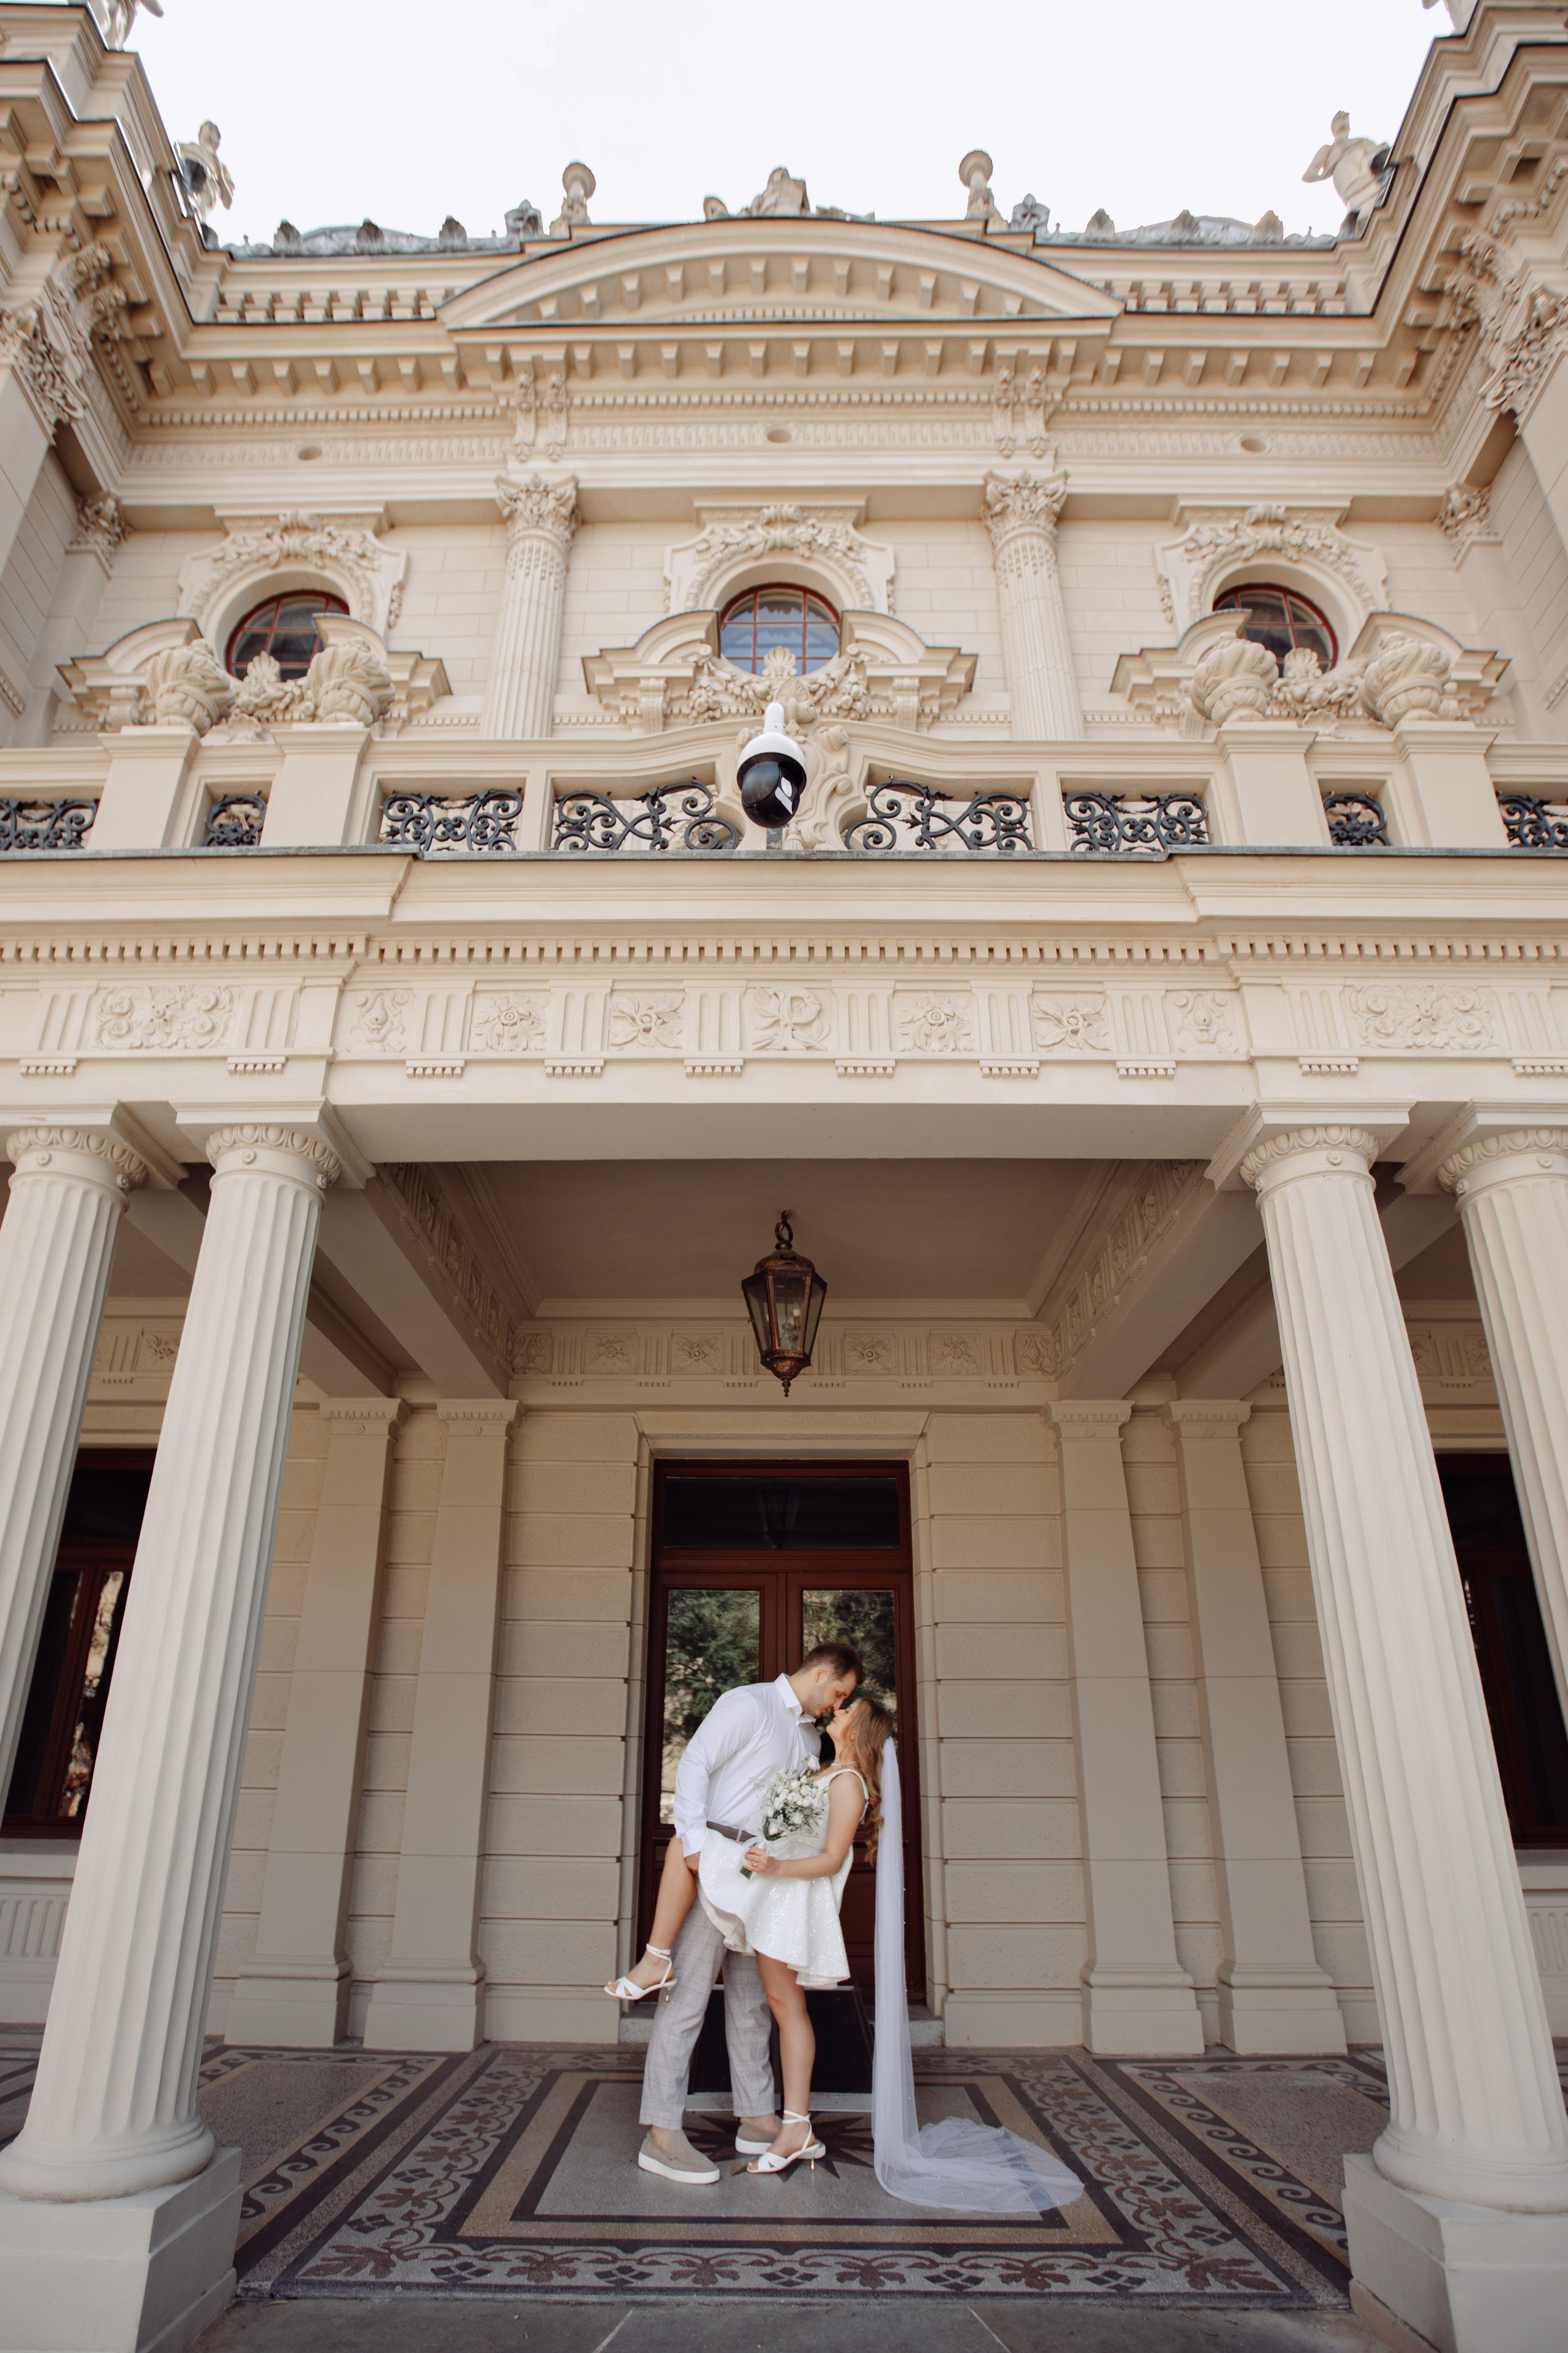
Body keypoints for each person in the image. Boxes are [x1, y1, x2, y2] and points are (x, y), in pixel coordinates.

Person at [624, 1641, 862, 2186]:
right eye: (840, 1692)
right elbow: (697, 1763)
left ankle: (757, 2117)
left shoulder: (808, 1736)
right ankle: (661, 2133)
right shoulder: (748, 1703)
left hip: (764, 1881)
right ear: (822, 1672)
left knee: (753, 2003)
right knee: (685, 2000)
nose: (835, 1704)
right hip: (718, 1866)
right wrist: (690, 1844)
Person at [704, 1690, 894, 2174]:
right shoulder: (822, 1770)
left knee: (789, 2007)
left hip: (793, 1898)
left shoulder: (849, 1781)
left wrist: (775, 1868)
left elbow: (832, 1858)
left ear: (859, 1729)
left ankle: (796, 2125)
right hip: (776, 1892)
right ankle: (795, 2125)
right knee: (781, 2003)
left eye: (847, 1710)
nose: (837, 1711)